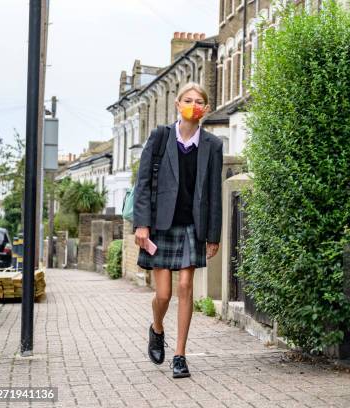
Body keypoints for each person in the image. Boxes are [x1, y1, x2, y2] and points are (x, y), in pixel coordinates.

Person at [132, 82, 223, 379]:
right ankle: (157, 328)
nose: (193, 105)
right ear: (177, 104)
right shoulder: (159, 137)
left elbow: (213, 193)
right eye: (188, 100)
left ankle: (180, 355)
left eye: (199, 101)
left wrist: (213, 235)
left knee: (185, 287)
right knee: (164, 293)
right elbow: (143, 183)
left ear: (206, 109)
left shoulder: (213, 145)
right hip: (161, 225)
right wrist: (142, 225)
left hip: (191, 226)